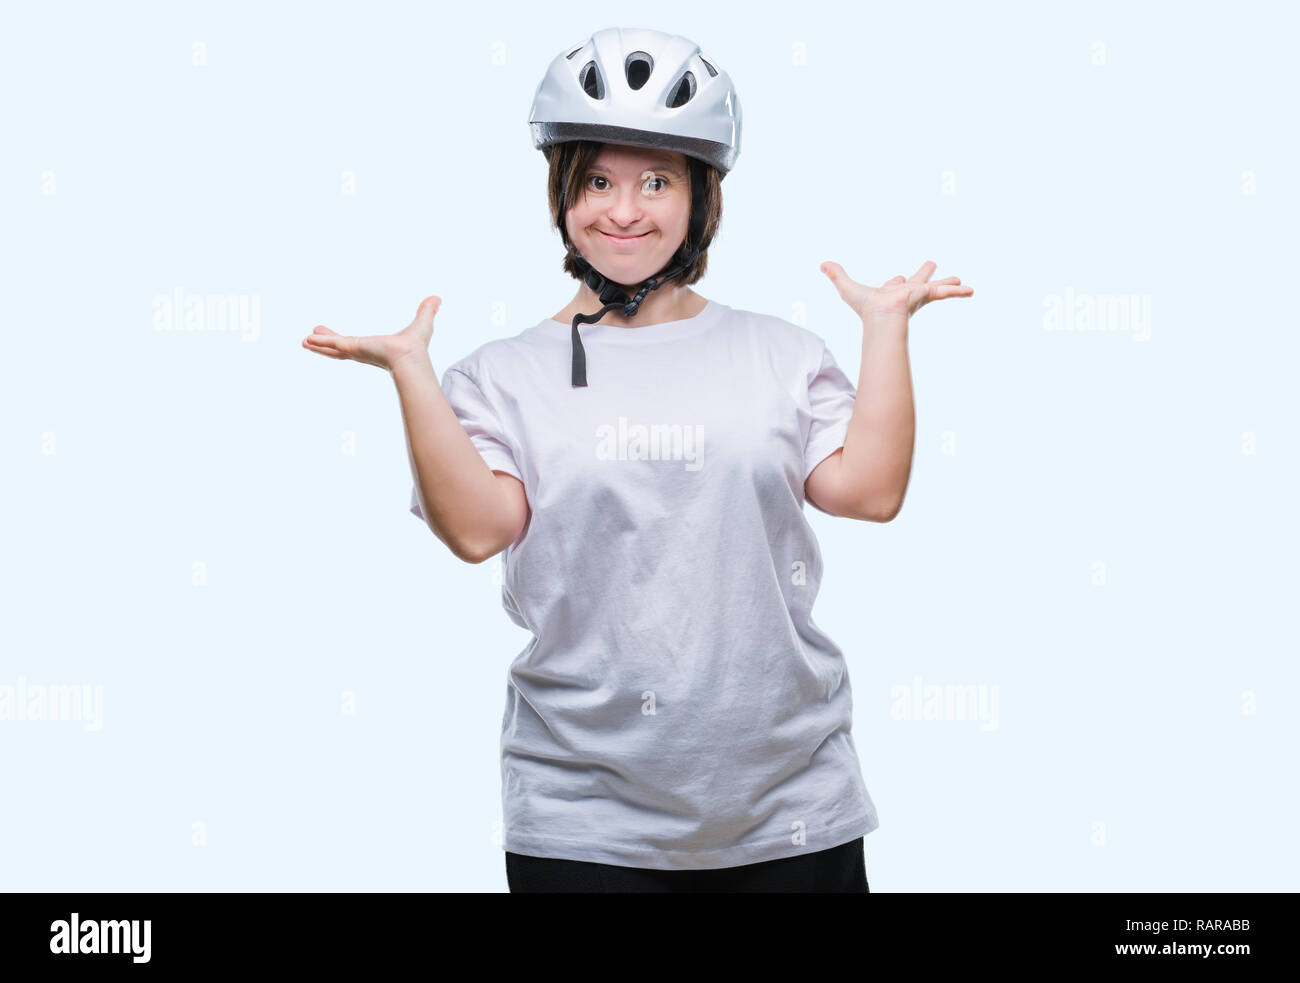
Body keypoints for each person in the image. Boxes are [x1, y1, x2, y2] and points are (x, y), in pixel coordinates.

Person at [302, 27, 973, 893]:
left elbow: (871, 492)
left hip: (792, 807)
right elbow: (477, 530)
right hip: (583, 821)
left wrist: (886, 331)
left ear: (701, 199)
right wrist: (412, 376)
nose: (624, 210)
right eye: (597, 180)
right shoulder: (503, 374)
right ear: (562, 194)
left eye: (657, 181)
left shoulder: (779, 352)